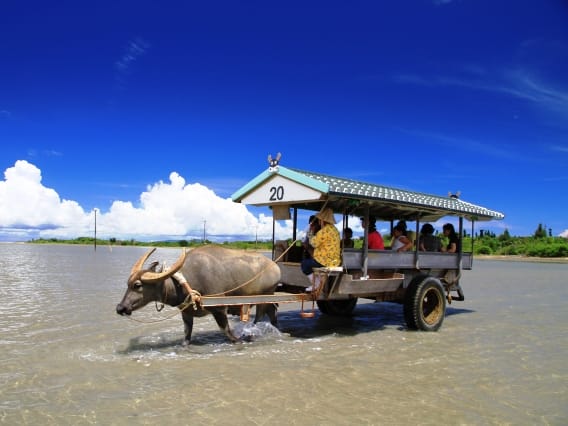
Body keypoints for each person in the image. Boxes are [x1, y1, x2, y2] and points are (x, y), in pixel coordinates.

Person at [301, 208, 341, 291]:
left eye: (319, 220)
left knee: (305, 264)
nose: (319, 221)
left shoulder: (324, 231)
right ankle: (318, 282)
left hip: (324, 261)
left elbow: (313, 243)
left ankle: (316, 284)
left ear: (322, 220)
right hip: (335, 261)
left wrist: (309, 232)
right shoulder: (335, 230)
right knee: (311, 262)